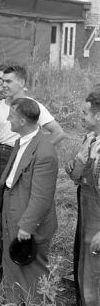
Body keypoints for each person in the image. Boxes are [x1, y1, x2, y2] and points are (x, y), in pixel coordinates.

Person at [0, 98, 58, 304]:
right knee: (14, 265)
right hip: (13, 212)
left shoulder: (44, 152)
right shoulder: (22, 141)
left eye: (11, 116)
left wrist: (26, 226)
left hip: (27, 221)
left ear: (22, 121)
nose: (8, 119)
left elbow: (42, 197)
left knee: (33, 271)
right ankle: (15, 300)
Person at [0, 65, 64, 204]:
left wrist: (34, 152)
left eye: (8, 81)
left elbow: (58, 133)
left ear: (21, 82)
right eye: (3, 81)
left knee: (15, 198)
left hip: (19, 154)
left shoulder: (33, 106)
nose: (3, 85)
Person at [67, 90, 100, 305]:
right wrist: (74, 168)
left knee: (95, 279)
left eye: (85, 113)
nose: (81, 117)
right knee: (85, 273)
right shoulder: (91, 140)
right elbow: (78, 176)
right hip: (88, 219)